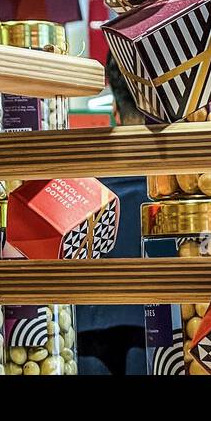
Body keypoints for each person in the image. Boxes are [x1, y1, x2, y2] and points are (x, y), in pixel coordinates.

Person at [76, 54, 147, 375]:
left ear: (114, 109)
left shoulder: (81, 177)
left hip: (85, 335)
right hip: (158, 331)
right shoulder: (183, 177)